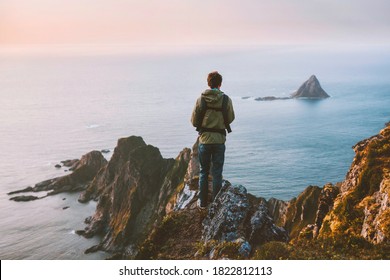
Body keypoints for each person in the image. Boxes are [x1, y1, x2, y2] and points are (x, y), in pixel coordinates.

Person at [191, 71, 235, 208]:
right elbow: (231, 118)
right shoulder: (226, 100)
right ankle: (216, 204)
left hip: (204, 140)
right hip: (219, 140)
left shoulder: (201, 99)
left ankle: (203, 203)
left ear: (208, 83)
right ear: (220, 84)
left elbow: (193, 121)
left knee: (204, 172)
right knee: (217, 173)